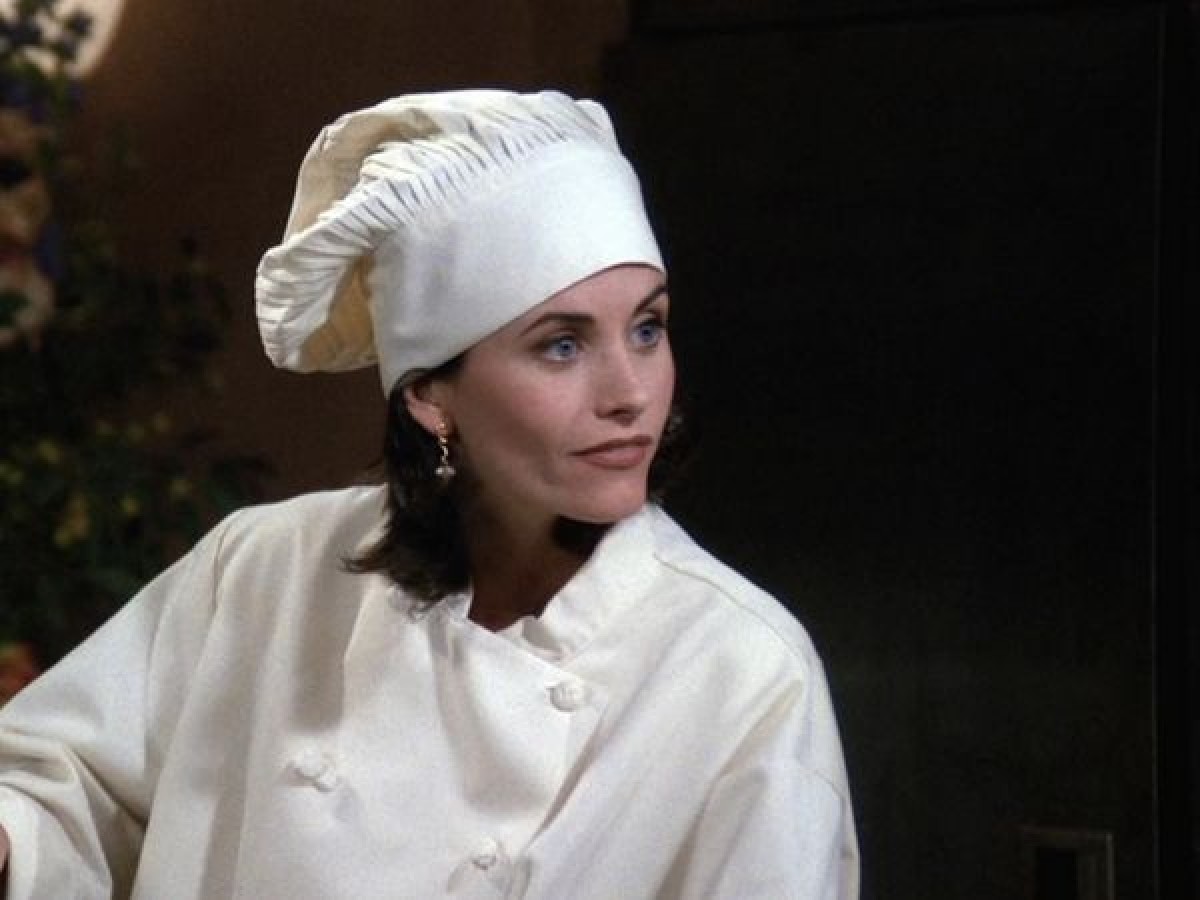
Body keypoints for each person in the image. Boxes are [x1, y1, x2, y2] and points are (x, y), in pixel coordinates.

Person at [0, 90, 859, 898]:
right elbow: (58, 783)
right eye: (562, 345)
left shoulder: (742, 674)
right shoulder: (265, 570)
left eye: (647, 328)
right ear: (428, 393)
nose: (630, 392)